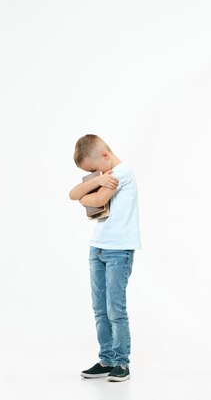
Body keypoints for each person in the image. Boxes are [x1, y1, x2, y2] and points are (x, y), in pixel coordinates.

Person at [69, 134, 141, 382]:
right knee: (100, 309)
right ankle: (106, 359)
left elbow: (96, 200)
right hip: (97, 248)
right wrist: (92, 186)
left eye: (93, 169)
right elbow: (73, 194)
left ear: (104, 156)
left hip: (118, 250)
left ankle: (121, 363)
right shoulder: (105, 176)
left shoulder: (123, 172)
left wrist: (86, 193)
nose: (94, 175)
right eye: (89, 173)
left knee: (115, 309)